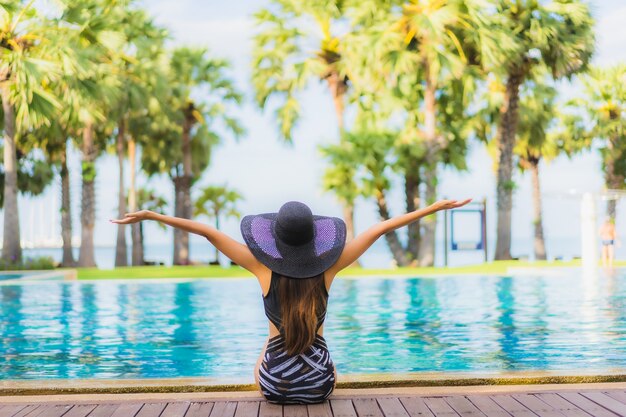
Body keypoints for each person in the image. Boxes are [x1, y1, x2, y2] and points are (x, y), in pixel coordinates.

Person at [111, 198, 471, 404]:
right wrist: (435, 208)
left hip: (273, 387)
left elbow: (207, 231)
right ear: (314, 240)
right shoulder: (329, 270)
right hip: (321, 389)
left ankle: (277, 366)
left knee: (267, 349)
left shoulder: (260, 268)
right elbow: (379, 229)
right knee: (313, 349)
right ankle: (308, 368)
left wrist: (151, 215)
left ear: (274, 239)